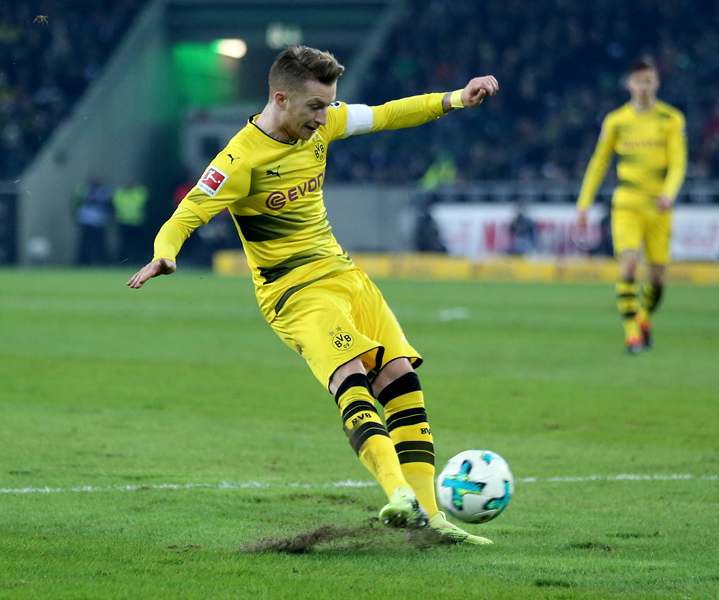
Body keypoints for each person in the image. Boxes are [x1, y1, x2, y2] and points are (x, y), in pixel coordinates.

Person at [127, 46, 498, 545]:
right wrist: (164, 253)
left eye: (328, 106)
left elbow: (388, 114)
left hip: (345, 276)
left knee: (400, 379)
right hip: (294, 291)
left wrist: (455, 98)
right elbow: (188, 212)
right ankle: (398, 495)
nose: (324, 118)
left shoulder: (321, 125)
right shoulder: (240, 159)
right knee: (350, 375)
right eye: (315, 107)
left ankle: (430, 521)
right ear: (281, 98)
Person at [575, 58, 687, 353]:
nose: (643, 87)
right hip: (627, 202)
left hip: (659, 205)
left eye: (648, 81)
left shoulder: (671, 119)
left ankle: (644, 317)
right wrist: (584, 203)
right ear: (629, 84)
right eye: (639, 81)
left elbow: (678, 162)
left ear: (656, 83)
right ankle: (631, 334)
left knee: (658, 277)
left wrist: (669, 192)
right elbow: (599, 163)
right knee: (628, 264)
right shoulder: (616, 121)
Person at [72, 174, 113, 266]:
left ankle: (101, 261)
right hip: (86, 220)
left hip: (99, 221)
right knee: (85, 243)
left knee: (100, 243)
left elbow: (109, 205)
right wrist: (77, 215)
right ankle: (83, 261)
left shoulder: (105, 191)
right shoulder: (84, 190)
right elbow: (75, 203)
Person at [113, 178, 149, 265]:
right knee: (124, 243)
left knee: (137, 243)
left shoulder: (139, 192)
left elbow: (145, 197)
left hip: (137, 221)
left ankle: (137, 260)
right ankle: (124, 261)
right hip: (123, 221)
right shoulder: (120, 193)